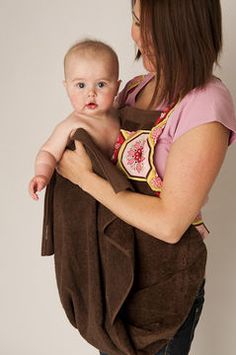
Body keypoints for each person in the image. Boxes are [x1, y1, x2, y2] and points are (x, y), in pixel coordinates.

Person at [56, 0, 236, 354]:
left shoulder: (205, 104)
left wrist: (85, 180)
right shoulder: (135, 88)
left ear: (188, 32)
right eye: (137, 21)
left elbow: (170, 223)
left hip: (163, 287)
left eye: (158, 31)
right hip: (119, 274)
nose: (143, 39)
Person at [28, 39, 121, 200]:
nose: (91, 93)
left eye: (101, 84)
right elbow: (48, 152)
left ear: (117, 87)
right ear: (67, 87)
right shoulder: (72, 124)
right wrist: (42, 175)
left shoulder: (117, 114)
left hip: (113, 194)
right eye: (81, 85)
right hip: (82, 197)